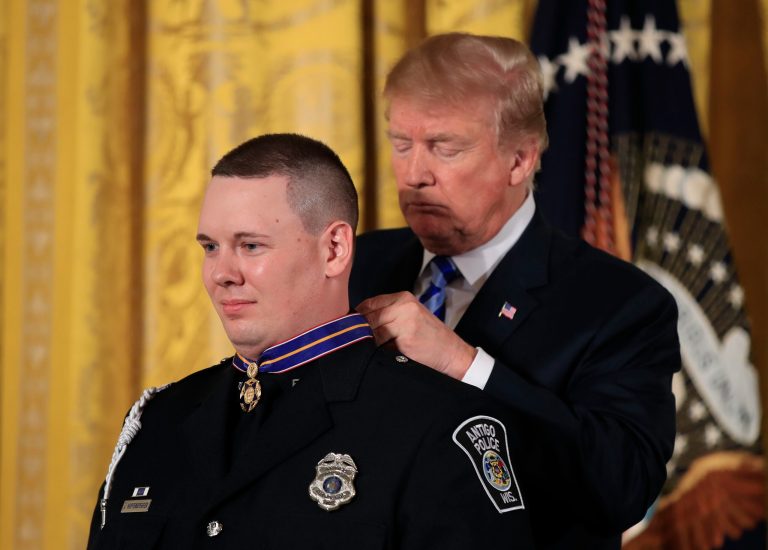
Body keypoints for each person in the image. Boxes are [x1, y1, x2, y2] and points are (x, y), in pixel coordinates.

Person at [86, 133, 535, 549]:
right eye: (210, 247)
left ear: (334, 250)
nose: (222, 274)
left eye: (251, 246)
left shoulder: (437, 424)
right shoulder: (159, 418)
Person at [350, 33, 680, 549]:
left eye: (445, 147)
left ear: (520, 160)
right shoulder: (353, 265)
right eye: (401, 144)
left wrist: (464, 364)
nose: (414, 175)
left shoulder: (620, 304)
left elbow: (622, 485)